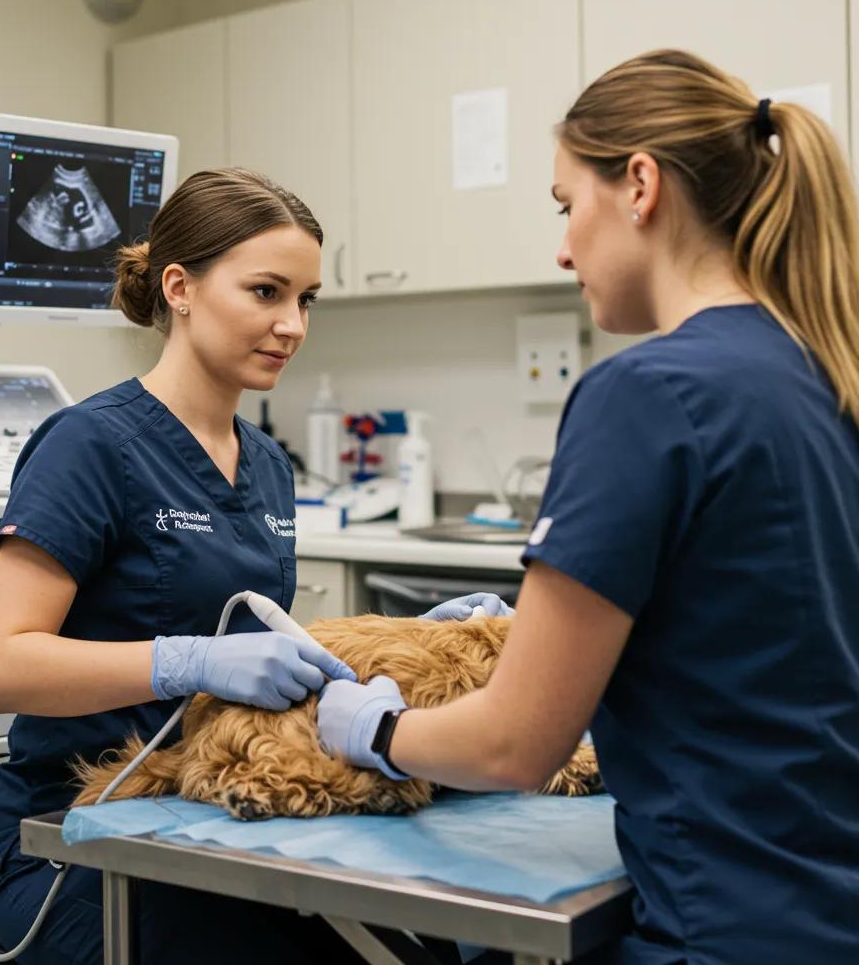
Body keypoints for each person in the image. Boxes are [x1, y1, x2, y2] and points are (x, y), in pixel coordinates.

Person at [318, 49, 859, 965]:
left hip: (722, 928)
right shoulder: (824, 373)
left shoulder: (644, 394)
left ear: (639, 185)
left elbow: (514, 747)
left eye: (568, 206)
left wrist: (376, 728)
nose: (563, 247)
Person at [0, 166, 506, 964]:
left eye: (306, 300)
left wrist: (397, 644)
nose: (292, 323)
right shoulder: (90, 445)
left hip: (223, 809)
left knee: (433, 941)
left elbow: (265, 642)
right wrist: (193, 662)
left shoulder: (266, 463)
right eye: (266, 292)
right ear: (180, 288)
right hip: (82, 835)